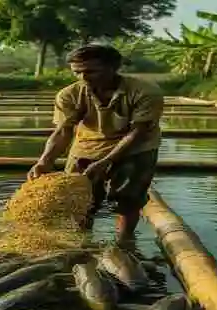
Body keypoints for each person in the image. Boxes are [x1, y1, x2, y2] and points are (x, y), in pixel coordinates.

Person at [27, 44, 163, 244]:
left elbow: (138, 132)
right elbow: (63, 131)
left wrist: (107, 161)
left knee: (128, 199)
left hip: (135, 148)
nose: (83, 77)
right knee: (79, 199)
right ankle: (83, 240)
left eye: (91, 71)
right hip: (87, 146)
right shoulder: (69, 94)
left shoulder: (144, 91)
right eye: (77, 72)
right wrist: (44, 161)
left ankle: (124, 241)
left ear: (113, 68)